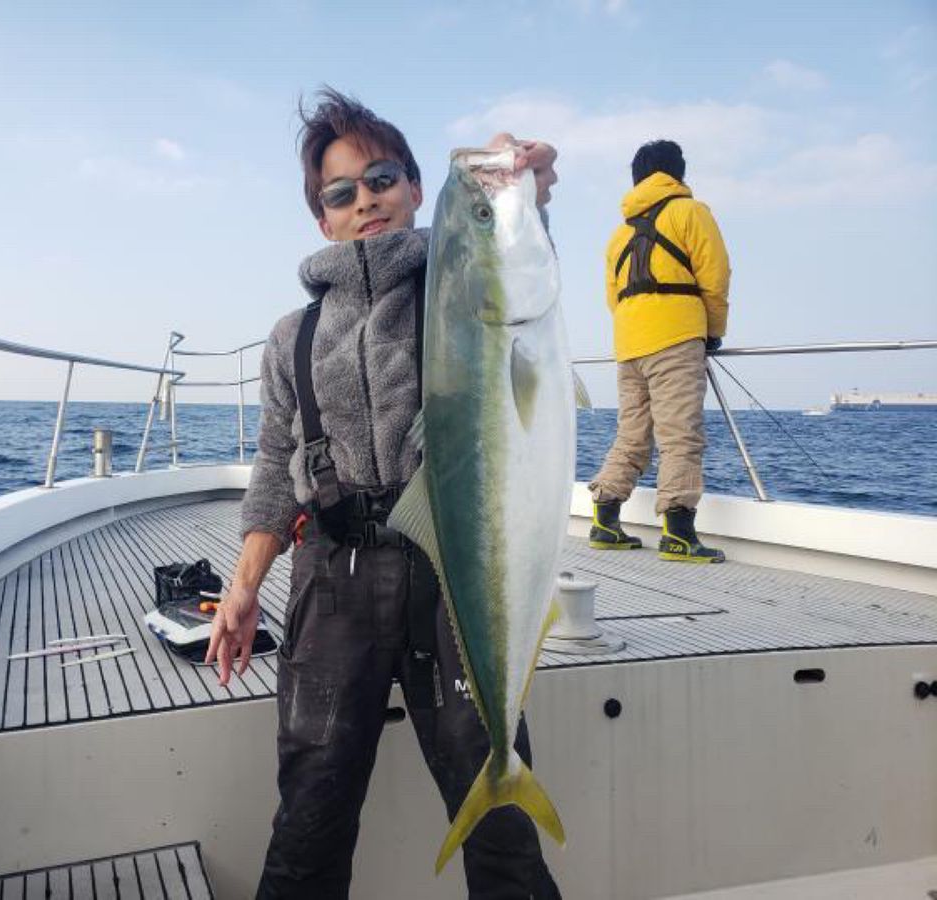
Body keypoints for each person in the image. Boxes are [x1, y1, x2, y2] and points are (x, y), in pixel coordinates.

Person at [205, 88, 563, 899]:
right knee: (310, 815)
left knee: (503, 829)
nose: (365, 200)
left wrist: (524, 192)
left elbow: (515, 280)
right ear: (322, 218)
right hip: (335, 576)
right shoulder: (291, 338)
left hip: (452, 569)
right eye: (341, 192)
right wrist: (244, 586)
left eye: (382, 178)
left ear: (409, 189)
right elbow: (273, 468)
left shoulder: (455, 285)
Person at [587, 139, 731, 563]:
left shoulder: (620, 233)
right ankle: (679, 533)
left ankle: (604, 521)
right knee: (680, 435)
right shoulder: (692, 212)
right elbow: (715, 276)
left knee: (631, 434)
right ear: (678, 174)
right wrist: (713, 332)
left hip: (629, 343)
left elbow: (613, 296)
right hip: (675, 336)